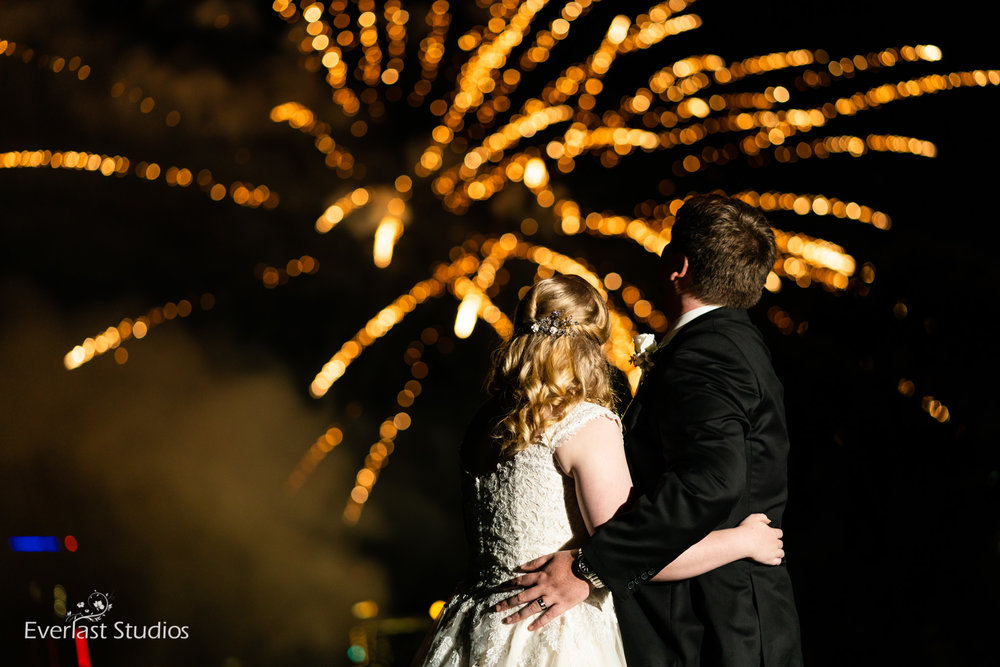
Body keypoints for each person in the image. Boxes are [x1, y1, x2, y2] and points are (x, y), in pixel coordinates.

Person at [495, 195, 804, 666]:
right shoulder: (726, 344)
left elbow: (713, 483)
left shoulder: (711, 354)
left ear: (677, 265)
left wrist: (589, 568)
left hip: (716, 628)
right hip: (707, 621)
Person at [416, 274, 786, 667]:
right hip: (553, 631)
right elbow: (636, 549)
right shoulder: (583, 424)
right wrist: (744, 541)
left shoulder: (486, 422)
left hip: (474, 625)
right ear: (596, 346)